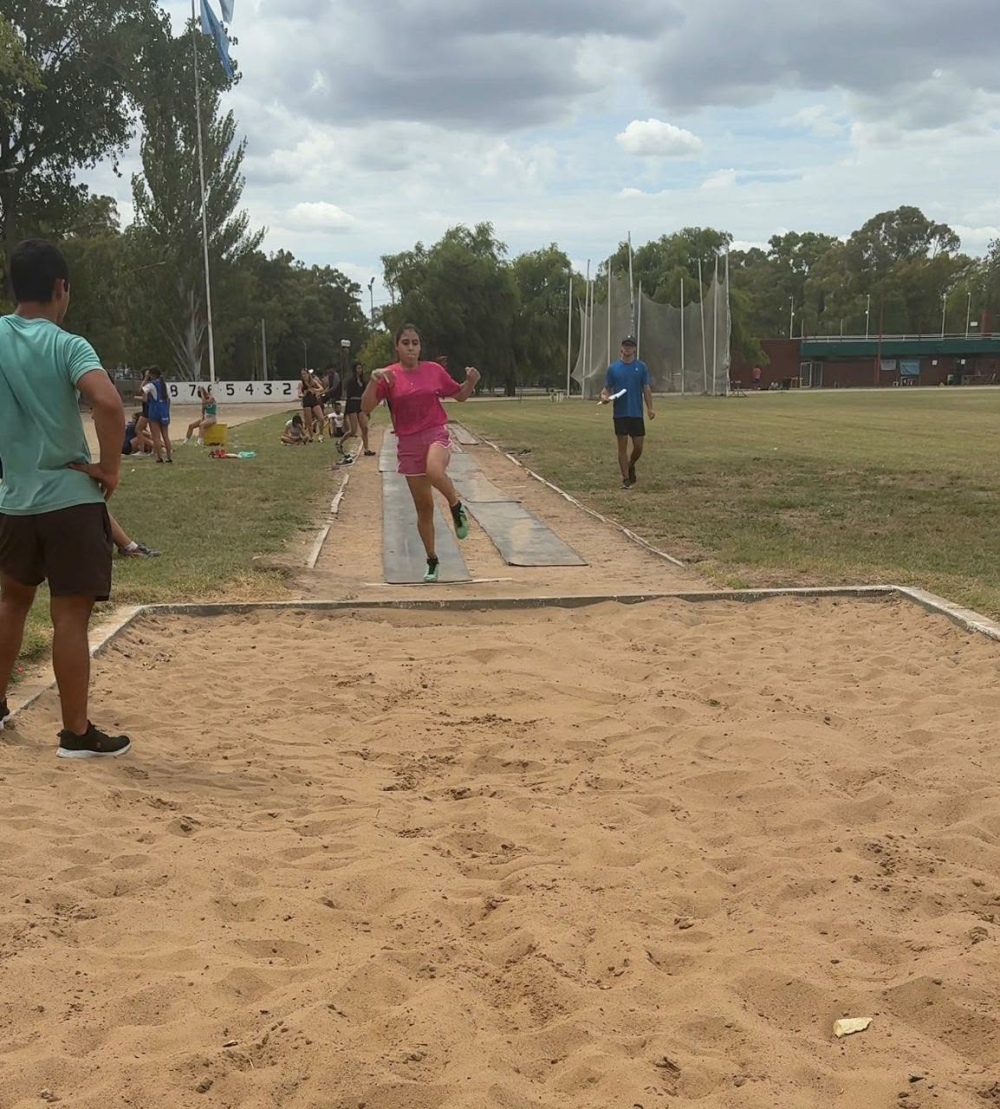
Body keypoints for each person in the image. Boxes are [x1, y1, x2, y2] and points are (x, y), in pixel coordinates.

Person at [0, 238, 131, 757]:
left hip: (15, 501)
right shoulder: (68, 345)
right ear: (61, 288)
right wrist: (109, 468)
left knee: (11, 602)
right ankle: (75, 733)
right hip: (70, 500)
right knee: (70, 618)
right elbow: (109, 404)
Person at [362, 323, 479, 583]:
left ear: (420, 346)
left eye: (415, 343)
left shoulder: (433, 370)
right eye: (405, 343)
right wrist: (373, 380)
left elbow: (460, 395)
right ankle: (432, 560)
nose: (411, 348)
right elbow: (366, 406)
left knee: (434, 470)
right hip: (408, 442)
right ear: (397, 346)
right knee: (424, 508)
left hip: (435, 433)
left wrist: (471, 381)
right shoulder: (388, 376)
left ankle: (456, 507)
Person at [599, 335, 655, 489]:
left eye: (631, 345)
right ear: (621, 348)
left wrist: (650, 408)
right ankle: (626, 478)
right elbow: (606, 389)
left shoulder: (641, 367)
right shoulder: (613, 368)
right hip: (620, 413)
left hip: (636, 412)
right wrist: (604, 397)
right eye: (625, 345)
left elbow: (646, 388)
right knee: (622, 445)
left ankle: (630, 465)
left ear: (635, 348)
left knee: (638, 446)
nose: (628, 348)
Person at [141, 366, 173, 463]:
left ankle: (159, 457)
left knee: (156, 437)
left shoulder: (152, 385)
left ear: (152, 375)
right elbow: (169, 400)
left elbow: (141, 390)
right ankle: (169, 457)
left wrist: (145, 379)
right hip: (164, 411)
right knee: (166, 436)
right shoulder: (166, 385)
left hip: (154, 411)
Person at [344, 361, 375, 457]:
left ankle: (366, 449)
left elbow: (366, 395)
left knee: (364, 428)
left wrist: (367, 409)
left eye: (361, 368)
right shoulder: (351, 381)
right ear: (354, 369)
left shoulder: (363, 382)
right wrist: (346, 411)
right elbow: (348, 396)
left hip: (361, 405)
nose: (360, 370)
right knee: (353, 430)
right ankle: (340, 442)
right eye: (358, 368)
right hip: (352, 404)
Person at [298, 369, 325, 441]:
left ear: (308, 374)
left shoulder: (313, 381)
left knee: (321, 418)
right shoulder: (301, 383)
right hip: (306, 402)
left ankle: (321, 434)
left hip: (314, 401)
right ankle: (311, 436)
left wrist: (314, 390)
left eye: (305, 374)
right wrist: (303, 394)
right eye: (302, 374)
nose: (303, 376)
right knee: (309, 421)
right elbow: (299, 394)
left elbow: (321, 388)